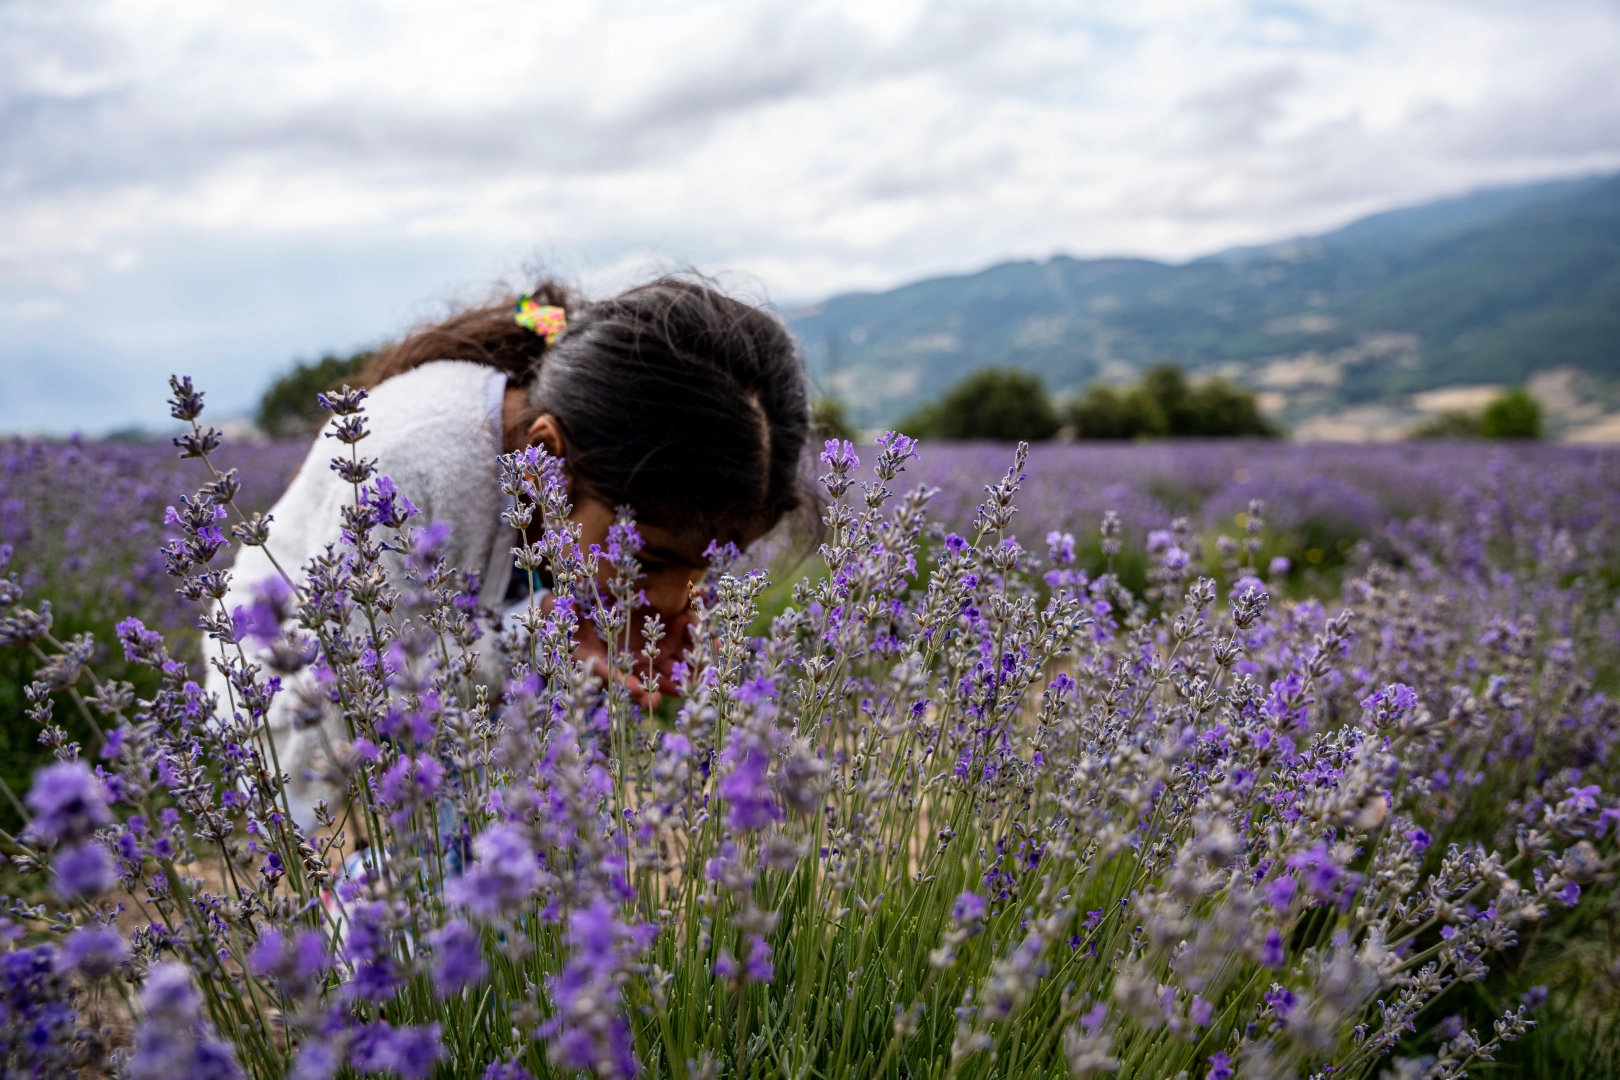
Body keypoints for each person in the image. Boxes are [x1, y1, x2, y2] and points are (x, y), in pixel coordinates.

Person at [210, 276, 813, 829]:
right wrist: (530, 636)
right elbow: (350, 712)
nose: (673, 598)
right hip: (285, 707)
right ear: (546, 460)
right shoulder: (412, 464)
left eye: (705, 569)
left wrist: (604, 642)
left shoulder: (574, 484)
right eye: (652, 561)